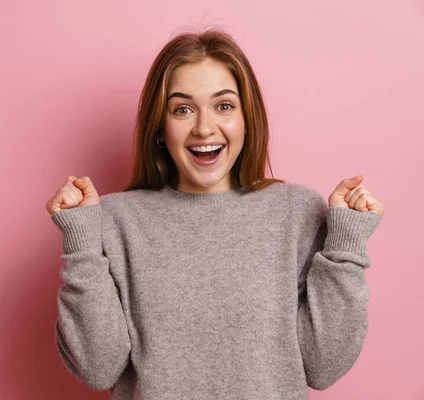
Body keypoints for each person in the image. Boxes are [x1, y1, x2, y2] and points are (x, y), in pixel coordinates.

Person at [45, 29, 385, 400]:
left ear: (246, 119)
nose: (204, 127)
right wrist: (82, 244)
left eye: (223, 106)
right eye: (183, 109)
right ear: (160, 127)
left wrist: (345, 246)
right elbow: (98, 368)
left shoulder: (296, 213)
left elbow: (323, 366)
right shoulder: (113, 221)